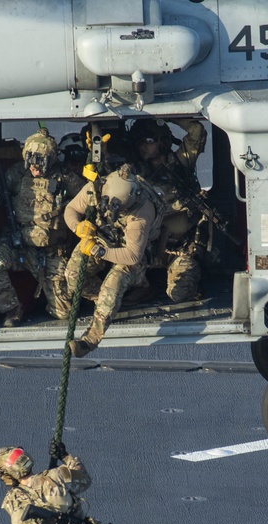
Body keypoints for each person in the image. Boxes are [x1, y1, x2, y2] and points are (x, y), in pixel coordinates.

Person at [0, 128, 85, 326]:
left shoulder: (65, 178)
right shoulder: (18, 174)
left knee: (63, 314)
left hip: (53, 251)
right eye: (31, 162)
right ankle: (12, 309)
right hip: (20, 244)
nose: (35, 168)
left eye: (40, 163)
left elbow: (88, 198)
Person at [62, 164, 165, 357]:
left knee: (113, 285)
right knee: (74, 276)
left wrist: (97, 250)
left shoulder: (141, 212)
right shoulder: (98, 188)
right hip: (104, 236)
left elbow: (132, 255)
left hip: (133, 250)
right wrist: (78, 227)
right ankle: (106, 302)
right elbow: (71, 209)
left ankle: (90, 340)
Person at [129, 118, 209, 303]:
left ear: (164, 142)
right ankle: (145, 287)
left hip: (178, 248)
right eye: (140, 142)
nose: (143, 147)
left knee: (180, 294)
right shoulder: (137, 171)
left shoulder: (181, 163)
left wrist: (162, 116)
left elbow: (197, 131)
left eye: (148, 141)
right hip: (145, 248)